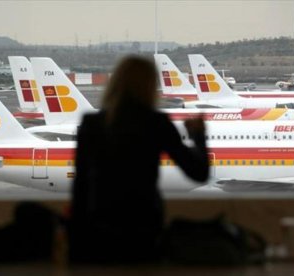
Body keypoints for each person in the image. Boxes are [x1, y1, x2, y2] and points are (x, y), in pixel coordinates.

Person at [69, 56, 209, 264]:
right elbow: (199, 173)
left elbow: (80, 187)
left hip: (100, 227)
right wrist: (198, 136)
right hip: (144, 228)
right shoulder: (157, 123)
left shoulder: (92, 123)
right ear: (151, 85)